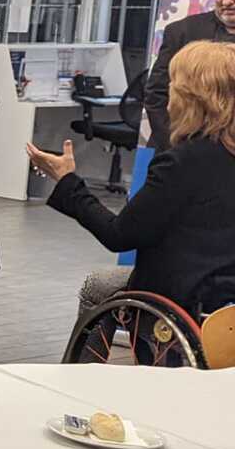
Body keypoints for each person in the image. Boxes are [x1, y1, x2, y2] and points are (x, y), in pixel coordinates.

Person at [28, 40, 235, 319]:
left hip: (184, 298)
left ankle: (86, 365)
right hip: (225, 298)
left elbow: (119, 235)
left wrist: (67, 181)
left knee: (98, 286)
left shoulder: (182, 163)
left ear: (189, 96)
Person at [144, 0, 235, 152]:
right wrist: (174, 148)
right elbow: (156, 95)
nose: (227, 0)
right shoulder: (182, 32)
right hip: (179, 149)